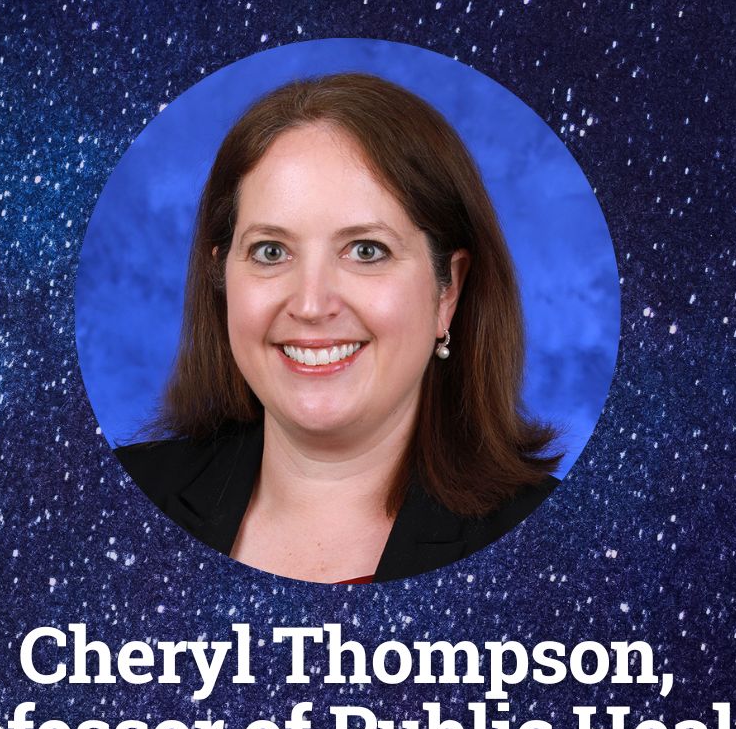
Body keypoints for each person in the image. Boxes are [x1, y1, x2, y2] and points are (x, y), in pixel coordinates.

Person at [115, 73, 557, 584]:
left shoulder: (554, 551)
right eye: (271, 252)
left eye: (367, 251)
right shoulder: (116, 502)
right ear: (222, 279)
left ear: (447, 291)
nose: (310, 304)